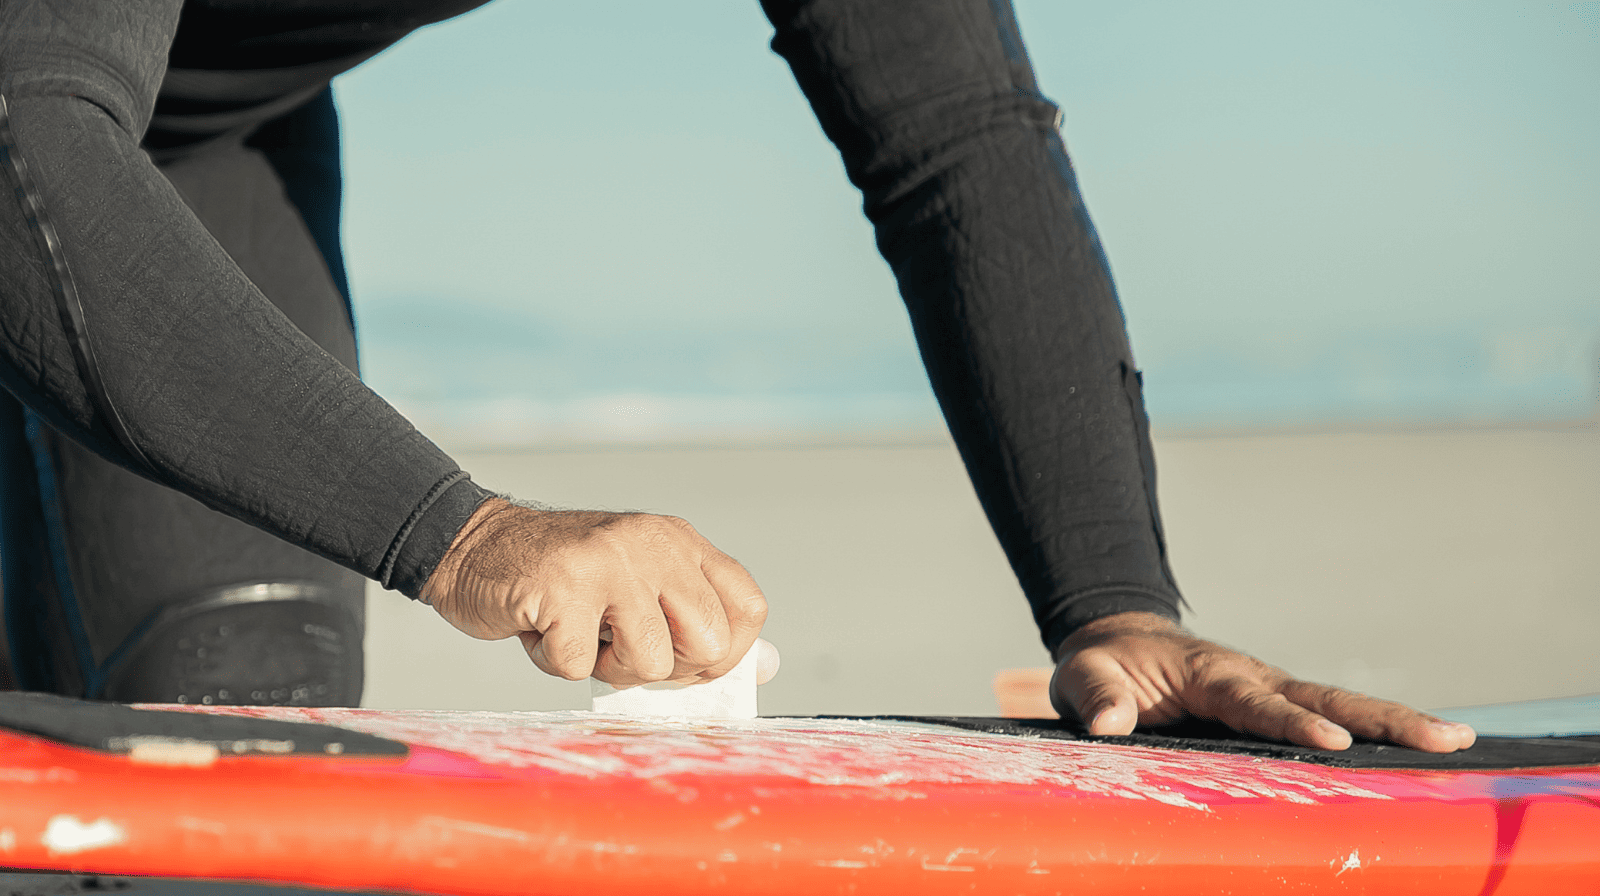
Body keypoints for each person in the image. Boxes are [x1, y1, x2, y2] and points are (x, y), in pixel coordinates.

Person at [0, 0, 1474, 752]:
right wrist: (464, 534)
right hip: (35, 133)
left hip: (177, 145)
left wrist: (1118, 603)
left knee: (236, 784)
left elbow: (956, 141)